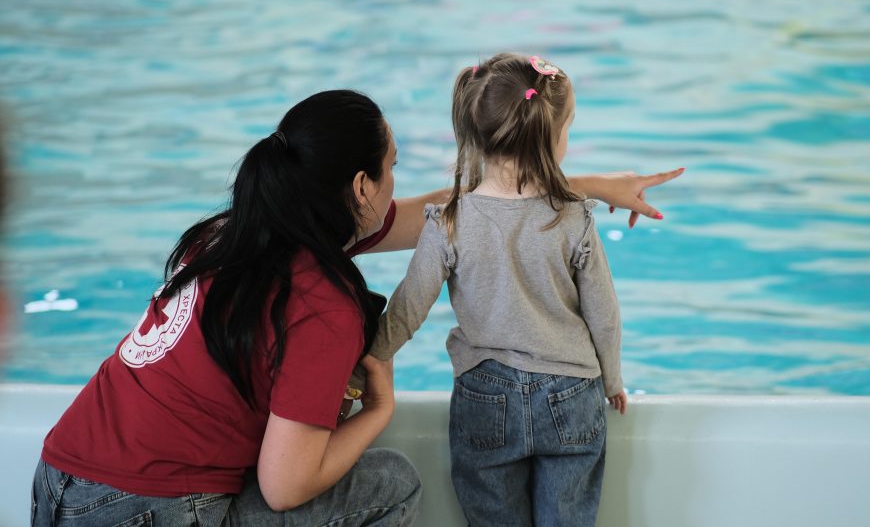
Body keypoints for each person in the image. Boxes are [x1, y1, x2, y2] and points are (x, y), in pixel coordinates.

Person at [30, 87, 680, 526]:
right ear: (362, 186)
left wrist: (587, 185)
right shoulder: (322, 305)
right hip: (148, 510)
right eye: (392, 168)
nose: (398, 185)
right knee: (389, 481)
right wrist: (379, 411)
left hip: (58, 480)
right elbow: (286, 488)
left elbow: (449, 214)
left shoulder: (237, 231)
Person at [356, 54, 652, 526]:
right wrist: (612, 380)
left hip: (484, 396)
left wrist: (372, 356)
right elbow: (604, 314)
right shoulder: (573, 217)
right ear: (551, 137)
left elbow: (410, 304)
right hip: (571, 393)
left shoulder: (449, 220)